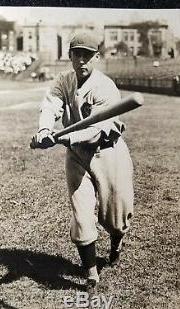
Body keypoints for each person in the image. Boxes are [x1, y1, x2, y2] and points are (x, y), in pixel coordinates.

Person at [32, 32, 134, 292]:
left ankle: (116, 240)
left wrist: (64, 138)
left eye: (87, 54)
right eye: (77, 53)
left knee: (115, 217)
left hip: (107, 150)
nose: (81, 59)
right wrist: (45, 131)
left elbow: (97, 129)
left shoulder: (105, 86)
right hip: (77, 156)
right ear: (70, 56)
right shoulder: (62, 81)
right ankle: (91, 273)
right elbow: (50, 105)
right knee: (81, 214)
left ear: (96, 57)